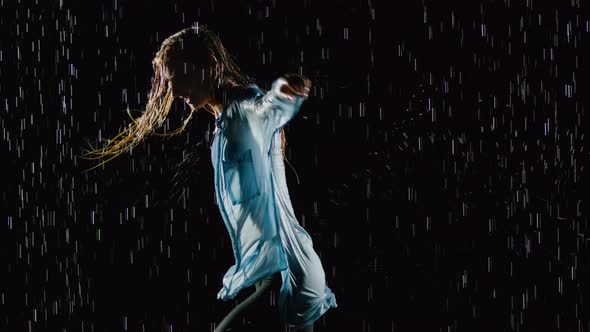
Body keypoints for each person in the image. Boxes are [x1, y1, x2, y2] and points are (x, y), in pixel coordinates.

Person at [81, 26, 337, 331]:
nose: (174, 91)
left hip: (285, 274)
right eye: (170, 80)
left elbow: (264, 109)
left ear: (211, 64)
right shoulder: (224, 120)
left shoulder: (242, 109)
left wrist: (285, 91)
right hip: (272, 273)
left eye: (179, 77)